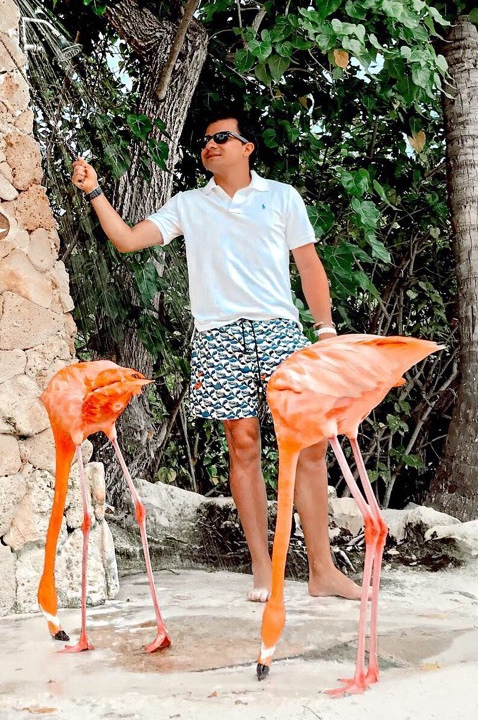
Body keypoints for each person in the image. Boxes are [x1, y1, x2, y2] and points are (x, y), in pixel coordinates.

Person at [72, 113, 361, 602]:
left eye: (221, 138)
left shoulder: (282, 197)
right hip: (219, 336)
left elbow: (308, 265)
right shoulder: (189, 205)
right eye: (204, 141)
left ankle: (322, 570)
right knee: (243, 446)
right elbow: (126, 241)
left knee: (309, 448)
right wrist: (95, 191)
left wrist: (326, 330)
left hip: (280, 332)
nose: (210, 146)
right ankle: (262, 571)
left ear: (247, 147)